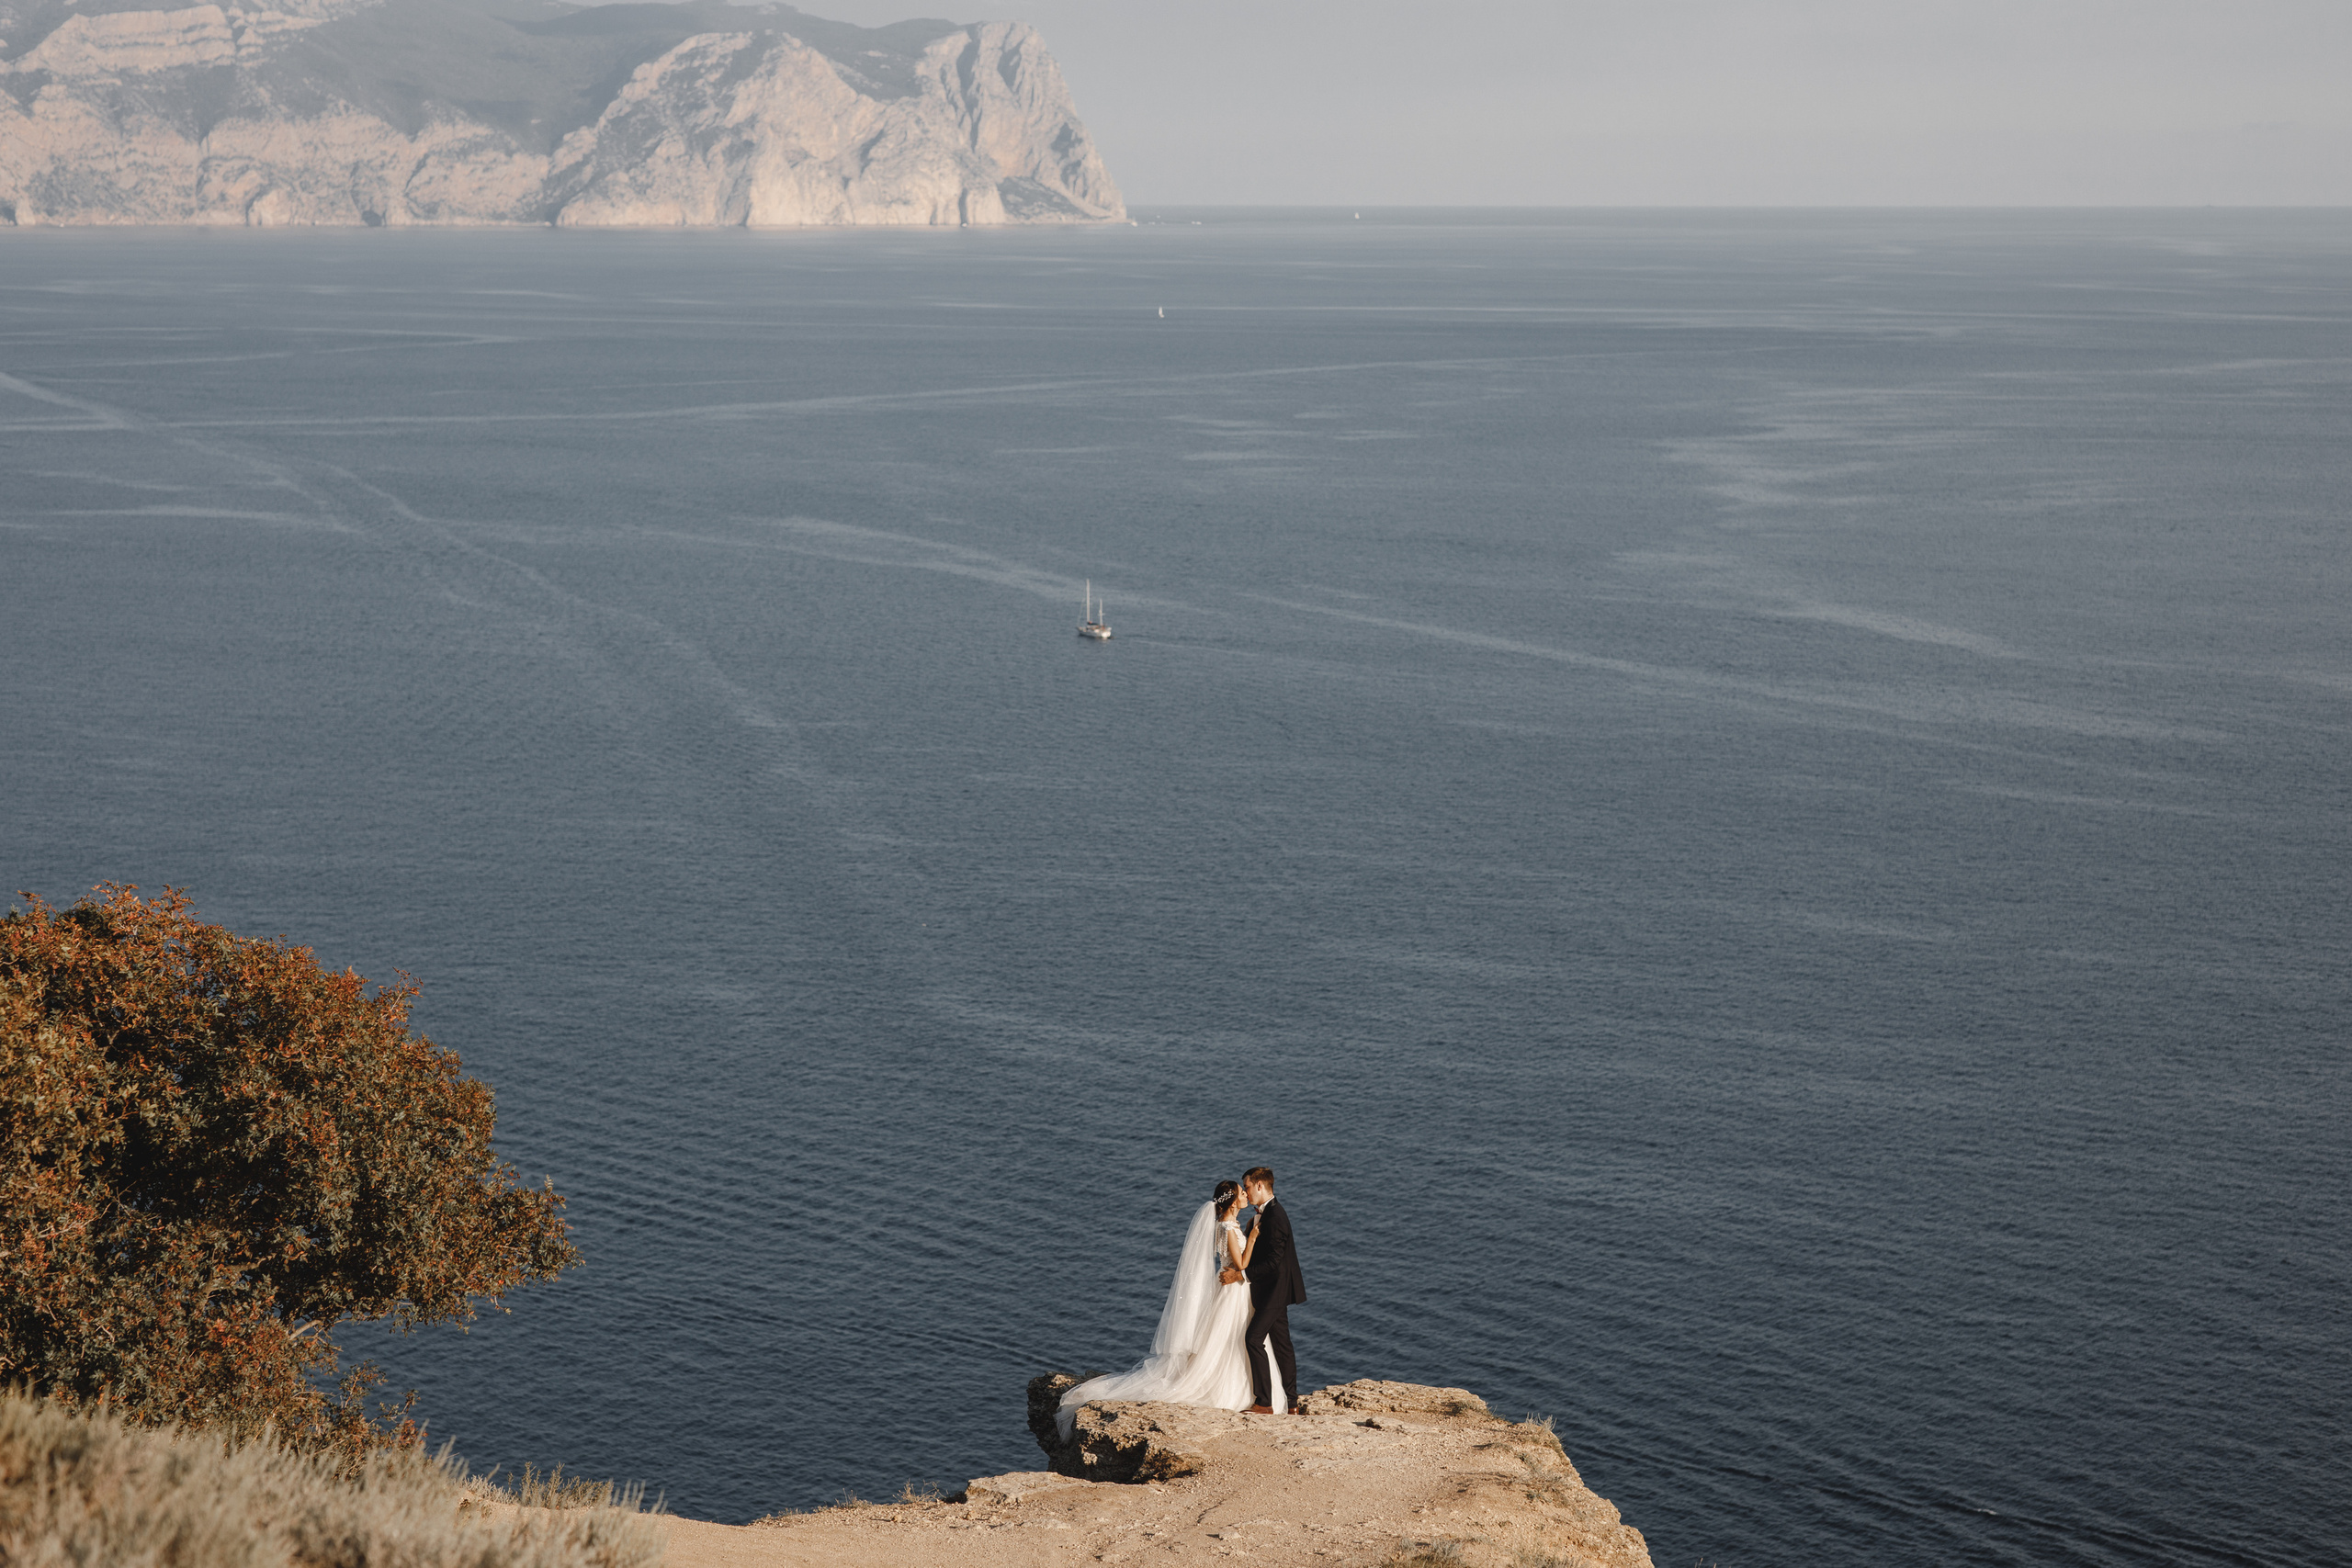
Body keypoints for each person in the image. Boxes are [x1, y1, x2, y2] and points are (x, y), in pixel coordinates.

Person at [1054, 1178, 1285, 1440]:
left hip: (1233, 1288)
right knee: (1231, 1338)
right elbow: (1242, 1263)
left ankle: (1253, 1391)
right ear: (1233, 1201)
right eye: (1241, 1193)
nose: (1245, 1196)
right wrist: (1253, 1237)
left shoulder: (1227, 1225)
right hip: (1233, 1290)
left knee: (1232, 1339)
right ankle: (1240, 1390)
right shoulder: (1228, 1228)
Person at [1220, 1166, 1305, 1415]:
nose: (1245, 1191)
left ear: (1259, 1185)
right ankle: (1291, 1405)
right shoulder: (1263, 1215)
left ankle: (1264, 1403)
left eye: (1246, 1186)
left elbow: (1273, 1263)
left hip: (1275, 1291)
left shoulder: (1276, 1217)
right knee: (1282, 1345)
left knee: (1253, 1339)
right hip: (1270, 1290)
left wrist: (1239, 1275)